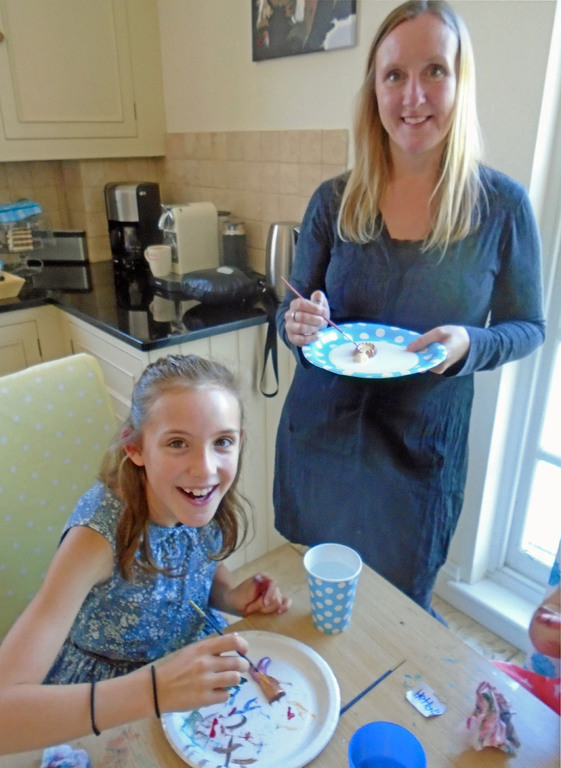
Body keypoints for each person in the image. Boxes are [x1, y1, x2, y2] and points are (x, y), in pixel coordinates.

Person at [273, 0, 545, 617]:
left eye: (435, 71)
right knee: (312, 612)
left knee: (397, 621)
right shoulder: (334, 200)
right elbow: (294, 312)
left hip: (418, 465)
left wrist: (471, 344)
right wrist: (297, 324)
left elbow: (530, 327)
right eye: (394, 75)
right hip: (319, 447)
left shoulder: (501, 208)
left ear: (460, 81)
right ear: (374, 88)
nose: (413, 96)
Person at [0, 354, 290, 755]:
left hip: (186, 670)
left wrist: (229, 596)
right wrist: (154, 690)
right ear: (135, 447)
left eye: (221, 442)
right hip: (108, 701)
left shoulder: (195, 497)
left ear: (238, 440)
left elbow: (195, 568)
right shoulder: (96, 538)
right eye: (177, 443)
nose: (205, 468)